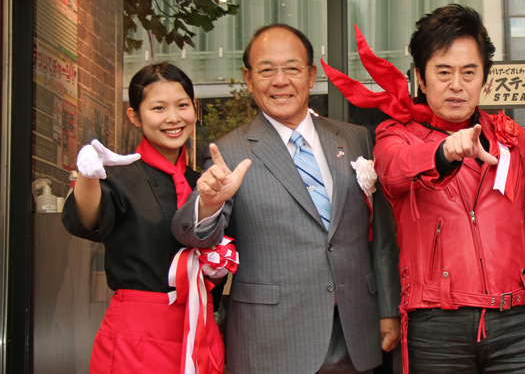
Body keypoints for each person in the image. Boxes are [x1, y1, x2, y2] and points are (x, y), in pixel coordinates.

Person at [321, 4, 525, 374]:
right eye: (443, 72)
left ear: (485, 80)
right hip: (436, 324)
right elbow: (392, 172)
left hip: (517, 322)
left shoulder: (512, 138)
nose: (456, 85)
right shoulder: (396, 134)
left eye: (469, 72)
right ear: (421, 80)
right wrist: (444, 152)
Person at [172, 24, 401, 374]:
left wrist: (388, 308)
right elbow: (191, 234)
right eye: (266, 70)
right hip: (271, 337)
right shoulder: (230, 150)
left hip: (355, 330)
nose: (280, 81)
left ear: (311, 76)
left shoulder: (355, 139)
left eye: (292, 68)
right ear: (248, 79)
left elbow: (382, 235)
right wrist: (209, 203)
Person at [62, 63, 228, 374]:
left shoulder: (204, 182)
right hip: (136, 335)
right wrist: (88, 178)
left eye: (182, 106)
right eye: (158, 108)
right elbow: (85, 219)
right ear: (134, 116)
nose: (173, 118)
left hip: (201, 329)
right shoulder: (118, 176)